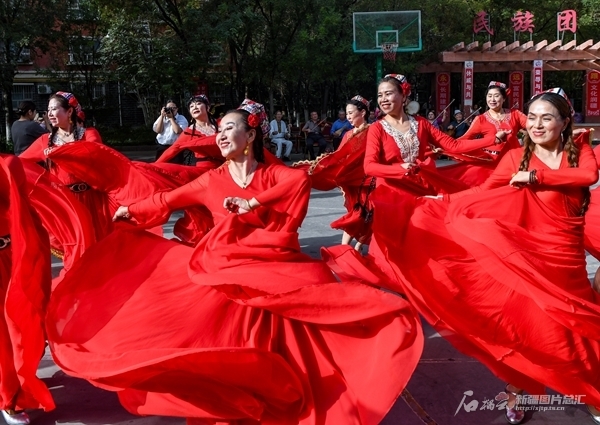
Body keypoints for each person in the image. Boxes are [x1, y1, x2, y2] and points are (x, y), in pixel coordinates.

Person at [44, 100, 423, 425]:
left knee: (318, 321)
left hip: (279, 272)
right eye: (219, 130)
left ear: (252, 135)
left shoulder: (277, 174)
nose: (221, 136)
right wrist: (128, 210)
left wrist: (252, 204)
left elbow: (298, 183)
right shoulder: (211, 181)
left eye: (230, 129)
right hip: (231, 275)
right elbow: (165, 202)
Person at [369, 88, 600, 425]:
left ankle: (593, 394)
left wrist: (535, 177)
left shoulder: (580, 152)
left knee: (576, 332)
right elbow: (481, 192)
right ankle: (520, 388)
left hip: (566, 261)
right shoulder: (514, 158)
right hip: (525, 258)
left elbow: (587, 177)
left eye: (546, 118)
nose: (537, 124)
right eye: (532, 117)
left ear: (565, 122)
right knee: (524, 330)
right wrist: (443, 202)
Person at [0, 155, 55, 425]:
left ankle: (21, 381)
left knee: (21, 324)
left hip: (13, 253)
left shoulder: (8, 163)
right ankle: (9, 399)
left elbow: (25, 207)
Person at [20, 92, 112, 242]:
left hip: (91, 201)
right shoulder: (45, 141)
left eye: (54, 109)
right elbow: (20, 163)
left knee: (96, 249)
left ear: (69, 111)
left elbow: (93, 153)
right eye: (48, 110)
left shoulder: (88, 134)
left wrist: (60, 153)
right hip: (66, 204)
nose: (49, 114)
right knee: (74, 251)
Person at [436, 81, 528, 187]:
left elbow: (533, 126)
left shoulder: (515, 114)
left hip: (514, 163)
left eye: (496, 96)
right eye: (489, 96)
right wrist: (444, 147)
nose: (492, 99)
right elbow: (464, 139)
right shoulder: (481, 119)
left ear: (504, 98)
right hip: (491, 164)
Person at [157, 95, 220, 169]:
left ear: (208, 107)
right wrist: (153, 166)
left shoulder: (222, 124)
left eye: (199, 104)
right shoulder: (189, 132)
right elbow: (172, 150)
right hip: (205, 170)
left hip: (228, 166)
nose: (195, 107)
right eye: (191, 106)